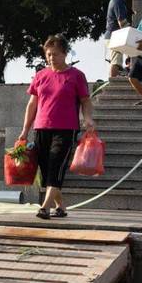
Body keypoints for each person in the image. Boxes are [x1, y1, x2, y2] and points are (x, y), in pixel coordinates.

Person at [18, 34, 95, 219]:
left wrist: (88, 119)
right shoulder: (41, 75)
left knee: (56, 166)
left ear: (65, 54)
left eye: (56, 54)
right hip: (42, 127)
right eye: (49, 54)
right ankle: (61, 206)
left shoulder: (76, 75)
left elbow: (85, 101)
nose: (52, 58)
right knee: (45, 172)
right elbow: (32, 104)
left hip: (66, 129)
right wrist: (24, 130)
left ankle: (44, 207)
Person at [104, 0, 131, 78]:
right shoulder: (118, 1)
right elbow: (122, 23)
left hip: (115, 36)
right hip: (114, 36)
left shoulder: (119, 1)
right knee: (115, 62)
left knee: (118, 60)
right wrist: (134, 30)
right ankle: (113, 83)